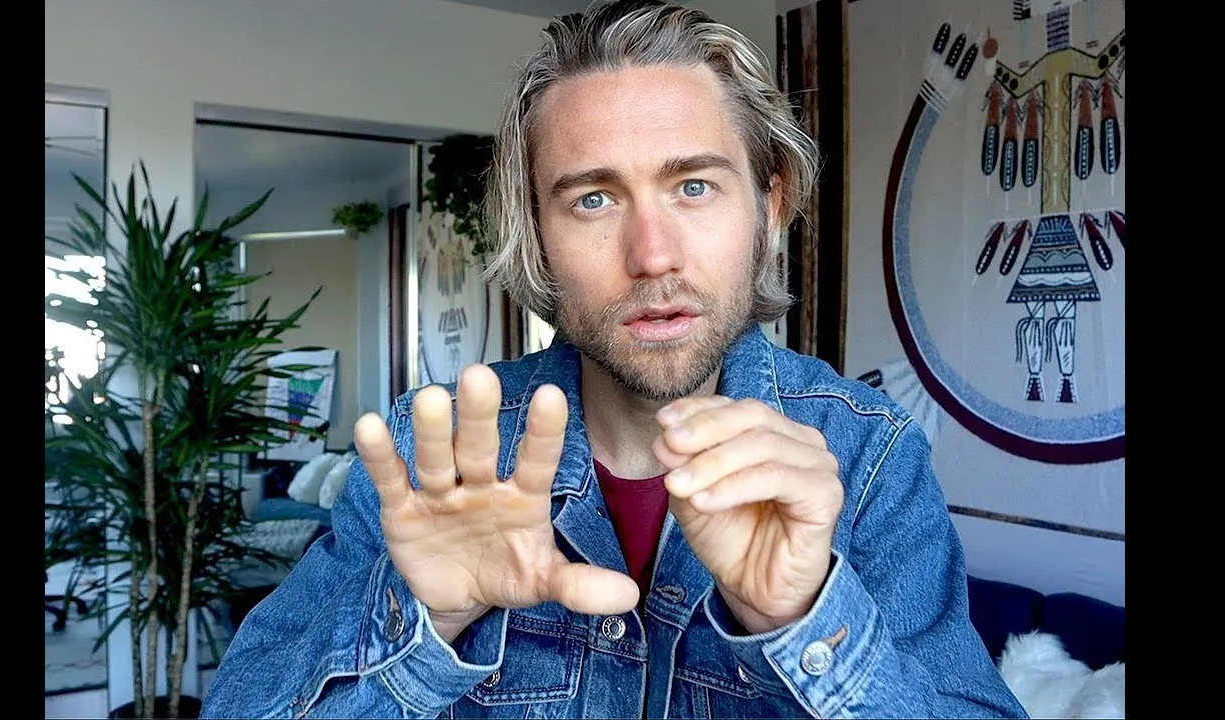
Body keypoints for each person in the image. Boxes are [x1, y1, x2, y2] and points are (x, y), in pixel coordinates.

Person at [201, 1, 1029, 717]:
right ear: (537, 234)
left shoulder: (869, 457)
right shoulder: (429, 459)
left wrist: (808, 619)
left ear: (769, 204)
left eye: (694, 186)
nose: (652, 254)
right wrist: (422, 624)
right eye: (593, 199)